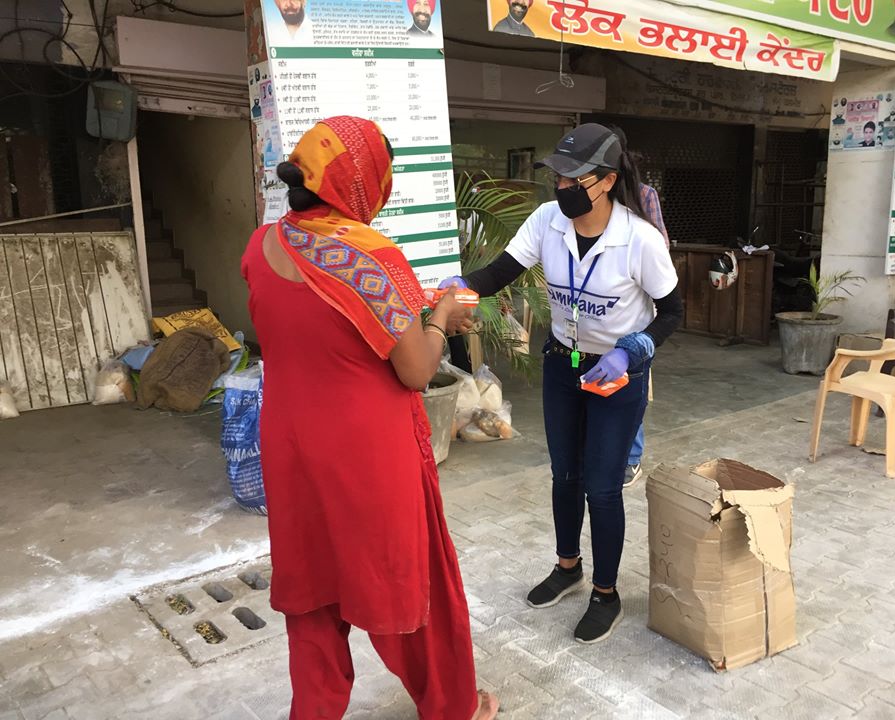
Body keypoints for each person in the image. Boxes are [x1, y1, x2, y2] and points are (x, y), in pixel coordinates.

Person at [242, 116, 497, 720]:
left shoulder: (262, 244)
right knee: (404, 585)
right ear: (362, 183)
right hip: (366, 456)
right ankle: (452, 707)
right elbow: (413, 369)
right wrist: (440, 320)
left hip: (291, 447)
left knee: (312, 595)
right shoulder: (369, 256)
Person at [439, 124, 682, 644]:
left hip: (616, 373)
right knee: (565, 475)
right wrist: (461, 285)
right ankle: (568, 566)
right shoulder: (549, 221)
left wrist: (631, 350)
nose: (562, 186)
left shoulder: (638, 238)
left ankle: (606, 593)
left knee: (603, 485)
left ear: (607, 180)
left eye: (576, 178)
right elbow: (499, 271)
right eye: (558, 176)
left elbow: (672, 311)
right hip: (561, 365)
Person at [625, 180, 670, 488]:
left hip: (636, 304)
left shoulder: (643, 194)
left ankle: (631, 458)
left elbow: (660, 244)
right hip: (598, 313)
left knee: (633, 385)